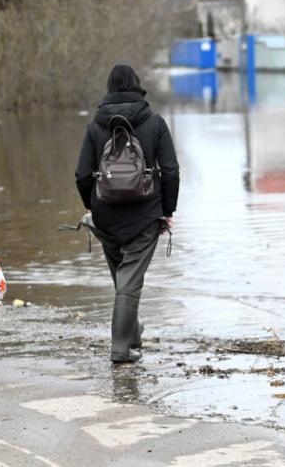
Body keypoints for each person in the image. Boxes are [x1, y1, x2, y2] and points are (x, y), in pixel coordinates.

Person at [75, 64, 180, 363]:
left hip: (106, 217)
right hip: (145, 216)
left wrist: (91, 205)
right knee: (129, 284)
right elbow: (171, 170)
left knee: (124, 282)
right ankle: (121, 349)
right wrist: (167, 210)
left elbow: (82, 174)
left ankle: (133, 334)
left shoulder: (96, 125)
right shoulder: (155, 122)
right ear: (137, 86)